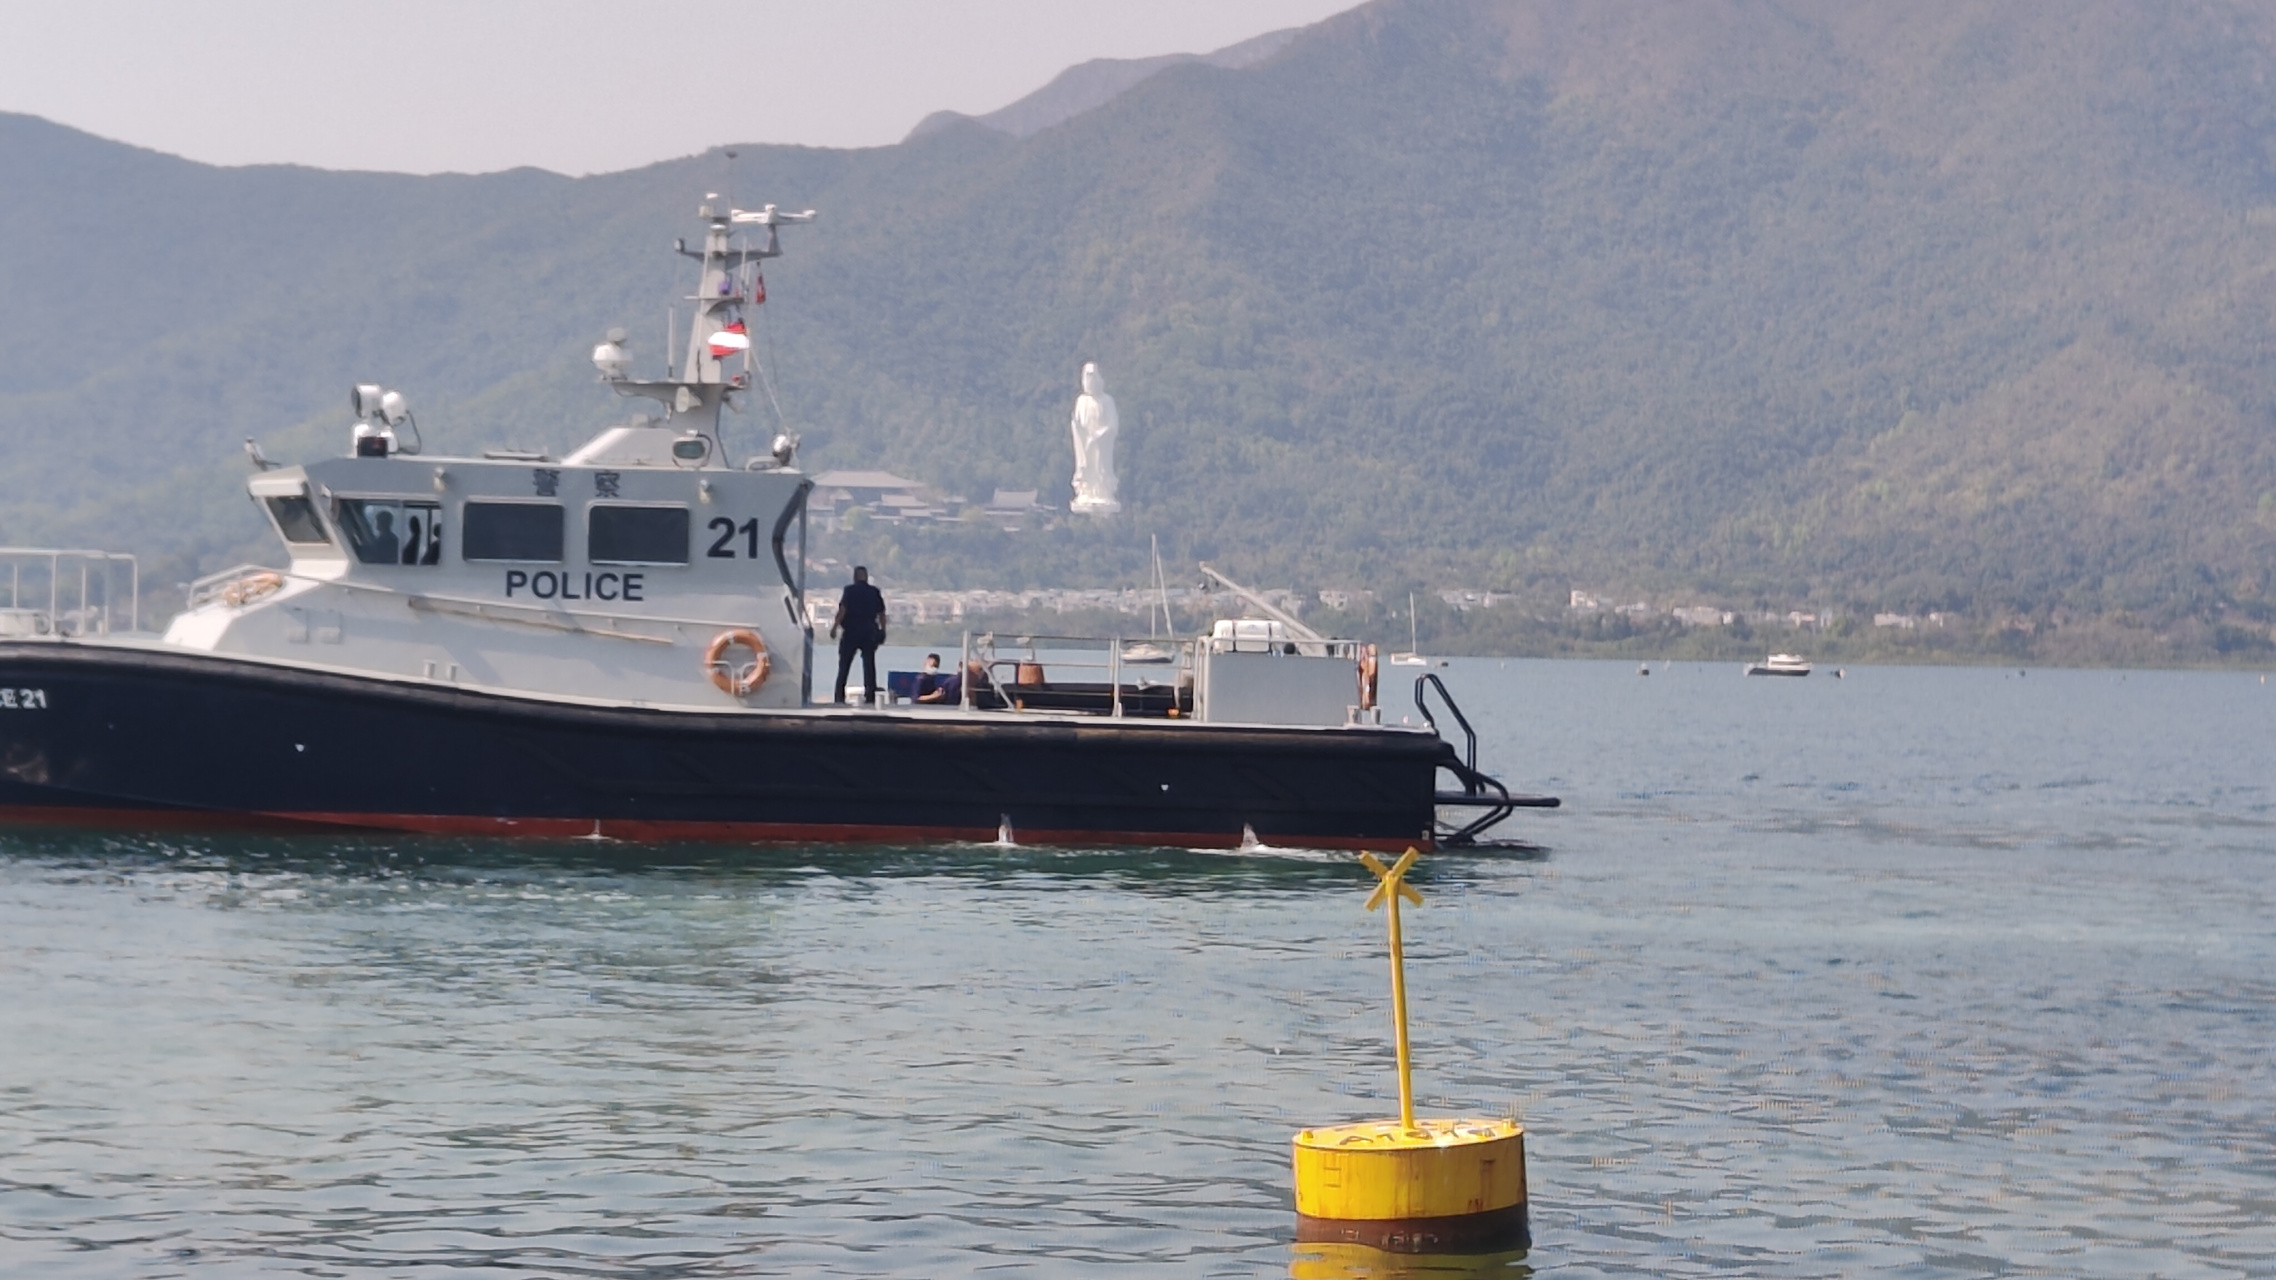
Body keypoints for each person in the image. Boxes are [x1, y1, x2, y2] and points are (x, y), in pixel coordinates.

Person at [830, 566, 887, 705]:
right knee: (869, 664)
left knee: (844, 664)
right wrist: (883, 630)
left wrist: (834, 627)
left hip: (851, 630)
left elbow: (843, 610)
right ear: (866, 577)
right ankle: (870, 695)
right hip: (869, 630)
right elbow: (881, 614)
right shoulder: (874, 592)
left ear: (855, 577)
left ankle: (839, 696)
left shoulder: (849, 591)